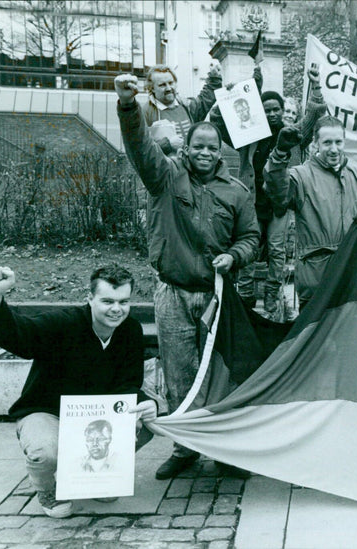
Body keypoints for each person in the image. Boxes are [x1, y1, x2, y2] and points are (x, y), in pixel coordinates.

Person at [115, 73, 260, 480]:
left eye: (212, 148)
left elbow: (252, 237)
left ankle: (223, 449)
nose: (204, 152)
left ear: (220, 152)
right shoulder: (164, 177)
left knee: (218, 375)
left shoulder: (236, 192)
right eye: (198, 145)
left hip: (217, 296)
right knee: (179, 374)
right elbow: (140, 148)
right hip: (173, 294)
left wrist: (236, 255)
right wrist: (129, 107)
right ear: (188, 146)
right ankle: (185, 448)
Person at [0, 265, 157, 518]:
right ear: (90, 298)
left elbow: (128, 383)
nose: (116, 309)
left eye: (124, 301)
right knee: (45, 453)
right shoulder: (63, 323)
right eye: (107, 301)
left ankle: (97, 478)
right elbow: (17, 335)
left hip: (95, 416)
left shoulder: (130, 330)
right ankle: (48, 488)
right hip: (47, 410)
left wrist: (146, 404)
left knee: (147, 424)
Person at [211, 66, 324, 314]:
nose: (273, 114)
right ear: (260, 111)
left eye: (277, 109)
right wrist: (227, 98)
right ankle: (246, 296)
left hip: (278, 205)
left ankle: (272, 298)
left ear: (284, 112)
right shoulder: (247, 134)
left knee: (277, 250)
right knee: (249, 248)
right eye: (268, 109)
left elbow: (314, 115)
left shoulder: (292, 135)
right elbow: (218, 124)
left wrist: (316, 86)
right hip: (251, 203)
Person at [263, 115, 357, 310]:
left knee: (351, 337)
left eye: (338, 142)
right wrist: (279, 155)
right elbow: (278, 195)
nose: (334, 149)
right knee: (315, 337)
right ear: (315, 143)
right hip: (317, 278)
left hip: (353, 274)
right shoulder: (301, 175)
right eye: (327, 142)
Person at [142, 62, 223, 155]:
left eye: (171, 83)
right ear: (152, 88)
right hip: (166, 168)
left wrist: (215, 78)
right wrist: (168, 145)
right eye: (162, 85)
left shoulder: (186, 105)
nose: (168, 88)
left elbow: (205, 99)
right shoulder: (146, 112)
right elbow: (141, 149)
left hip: (191, 167)